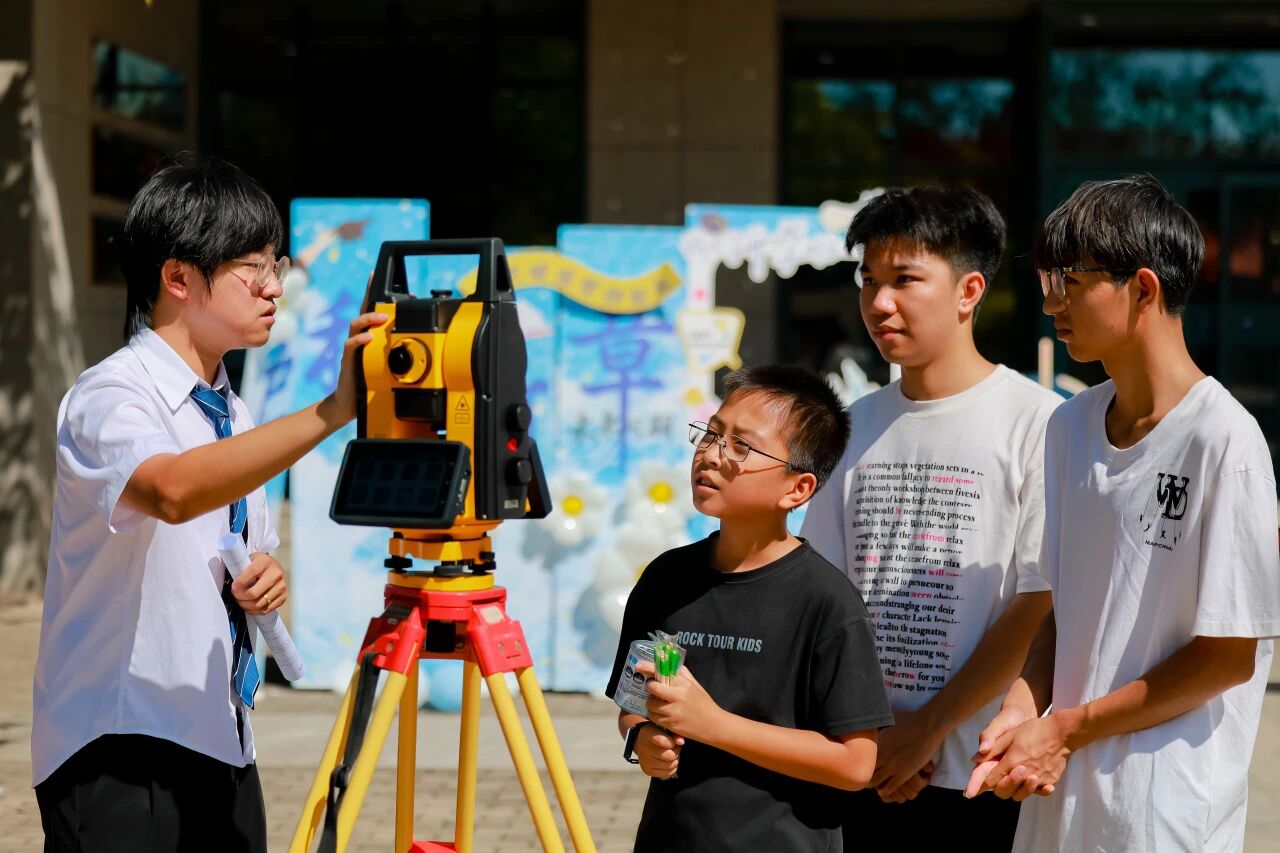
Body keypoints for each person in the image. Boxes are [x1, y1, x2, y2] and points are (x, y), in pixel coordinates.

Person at [31, 153, 386, 852]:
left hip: (219, 735)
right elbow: (172, 490)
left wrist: (266, 578)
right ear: (178, 278)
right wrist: (334, 409)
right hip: (121, 747)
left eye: (277, 264)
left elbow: (235, 553)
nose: (274, 287)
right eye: (253, 267)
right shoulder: (110, 395)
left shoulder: (230, 410)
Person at [969, 174, 1280, 852]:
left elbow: (1228, 656)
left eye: (1071, 280)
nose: (1051, 301)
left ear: (1142, 288)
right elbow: (1062, 607)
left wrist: (1064, 729)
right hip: (1059, 800)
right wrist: (1022, 706)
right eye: (1049, 278)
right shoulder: (1069, 426)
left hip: (1162, 813)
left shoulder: (1224, 439)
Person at [800, 185, 1061, 850]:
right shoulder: (851, 427)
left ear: (969, 290)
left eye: (905, 279)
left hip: (978, 773)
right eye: (868, 280)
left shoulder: (1040, 424)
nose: (879, 302)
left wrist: (930, 727)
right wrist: (868, 729)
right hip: (861, 759)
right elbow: (823, 594)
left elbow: (1036, 603)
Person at [606, 365, 894, 852]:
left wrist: (714, 725)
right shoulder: (665, 579)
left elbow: (855, 764)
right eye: (711, 433)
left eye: (741, 446)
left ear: (797, 489)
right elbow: (636, 701)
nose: (710, 454)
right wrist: (642, 739)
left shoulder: (826, 602)